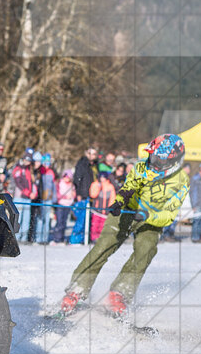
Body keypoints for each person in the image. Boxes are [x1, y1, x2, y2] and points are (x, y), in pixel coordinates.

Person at [59, 134, 189, 318]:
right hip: (128, 211)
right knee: (104, 246)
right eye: (152, 156)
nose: (152, 160)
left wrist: (148, 215)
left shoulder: (181, 180)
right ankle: (77, 289)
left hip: (151, 220)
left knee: (146, 250)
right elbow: (130, 185)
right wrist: (120, 200)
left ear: (171, 160)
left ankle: (120, 293)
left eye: (157, 157)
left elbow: (170, 214)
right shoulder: (142, 166)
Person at [70, 147, 98, 244]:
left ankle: (86, 239)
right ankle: (75, 240)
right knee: (81, 220)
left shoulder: (95, 165)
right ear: (86, 153)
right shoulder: (82, 164)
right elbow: (77, 180)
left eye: (94, 154)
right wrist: (79, 194)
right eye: (90, 153)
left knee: (90, 220)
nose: (92, 156)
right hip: (83, 195)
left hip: (93, 195)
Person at [52, 171, 76, 243]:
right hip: (60, 204)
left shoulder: (72, 186)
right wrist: (65, 197)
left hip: (68, 205)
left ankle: (62, 237)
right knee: (59, 222)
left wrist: (72, 195)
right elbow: (58, 194)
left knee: (64, 222)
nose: (66, 178)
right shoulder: (60, 183)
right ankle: (57, 238)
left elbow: (73, 194)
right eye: (65, 177)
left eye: (68, 177)